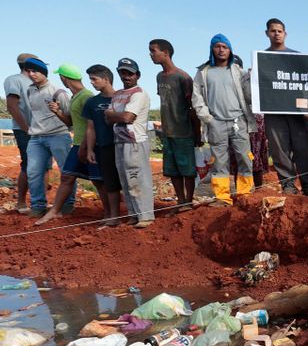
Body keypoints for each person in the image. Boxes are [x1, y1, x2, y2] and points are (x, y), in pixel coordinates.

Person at [191, 34, 255, 206]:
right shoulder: (203, 73)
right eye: (217, 46)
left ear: (230, 50)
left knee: (244, 157)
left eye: (224, 47)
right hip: (216, 122)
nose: (221, 50)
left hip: (238, 121)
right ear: (212, 49)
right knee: (219, 161)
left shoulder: (238, 71)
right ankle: (222, 197)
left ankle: (244, 194)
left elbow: (250, 97)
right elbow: (197, 99)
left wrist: (251, 79)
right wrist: (208, 119)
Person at [35, 63, 96, 226]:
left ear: (64, 78)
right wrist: (57, 112)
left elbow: (93, 125)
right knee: (67, 176)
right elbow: (70, 122)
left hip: (87, 145)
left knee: (99, 182)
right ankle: (55, 211)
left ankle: (118, 212)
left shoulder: (86, 97)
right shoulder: (74, 97)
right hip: (78, 144)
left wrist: (85, 147)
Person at [261, 19, 308, 195]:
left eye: (279, 31)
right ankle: (288, 185)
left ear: (285, 34)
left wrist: (305, 111)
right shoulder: (262, 59)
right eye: (273, 31)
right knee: (279, 151)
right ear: (267, 33)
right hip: (274, 113)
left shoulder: (296, 57)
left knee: (303, 149)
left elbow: (304, 86)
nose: (276, 33)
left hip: (297, 113)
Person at [149, 38, 199, 210]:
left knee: (187, 170)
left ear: (166, 53)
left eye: (153, 51)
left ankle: (189, 201)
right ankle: (180, 201)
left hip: (183, 131)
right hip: (167, 131)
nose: (151, 55)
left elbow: (193, 109)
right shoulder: (159, 77)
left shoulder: (182, 77)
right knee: (173, 170)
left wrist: (197, 135)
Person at [105, 58, 154, 227]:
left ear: (137, 75)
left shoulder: (139, 93)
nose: (126, 76)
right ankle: (133, 214)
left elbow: (127, 117)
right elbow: (108, 118)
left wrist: (113, 116)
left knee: (137, 178)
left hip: (135, 142)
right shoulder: (118, 94)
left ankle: (145, 216)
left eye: (130, 73)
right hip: (119, 140)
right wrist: (114, 116)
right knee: (125, 180)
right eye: (123, 73)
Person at [22, 57, 72, 218]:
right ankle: (37, 206)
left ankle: (67, 204)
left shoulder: (58, 92)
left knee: (67, 172)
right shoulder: (30, 90)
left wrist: (58, 111)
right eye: (28, 71)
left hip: (58, 135)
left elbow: (70, 118)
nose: (31, 74)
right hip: (36, 138)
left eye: (35, 71)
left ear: (44, 72)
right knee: (33, 171)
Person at [82, 64, 123, 226]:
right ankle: (114, 216)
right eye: (90, 79)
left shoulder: (122, 97)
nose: (91, 82)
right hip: (105, 146)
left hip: (124, 145)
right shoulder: (92, 102)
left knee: (129, 180)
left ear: (106, 79)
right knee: (109, 182)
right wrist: (90, 149)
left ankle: (137, 214)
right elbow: (90, 128)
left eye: (94, 79)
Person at [4, 54, 36, 214]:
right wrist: (26, 128)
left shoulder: (36, 83)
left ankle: (39, 203)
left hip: (40, 130)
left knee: (43, 166)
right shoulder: (14, 80)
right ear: (29, 67)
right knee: (28, 164)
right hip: (25, 130)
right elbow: (12, 106)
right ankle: (21, 203)